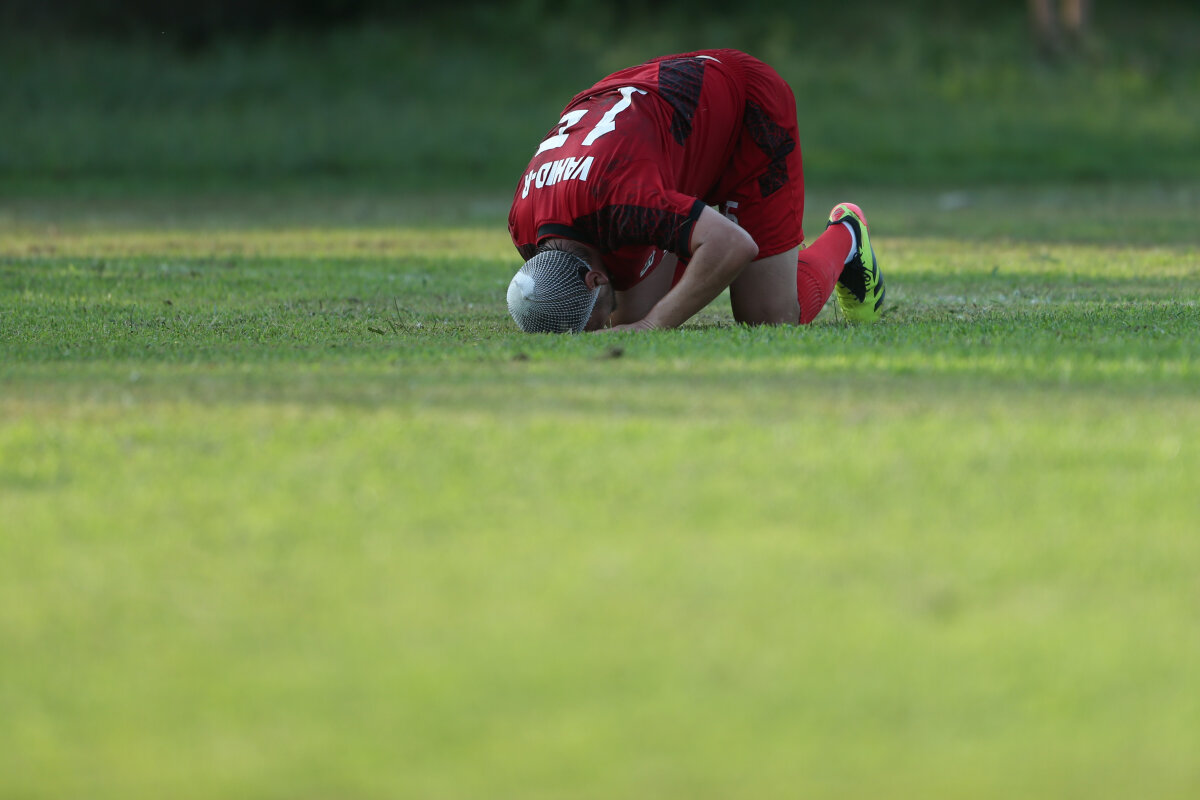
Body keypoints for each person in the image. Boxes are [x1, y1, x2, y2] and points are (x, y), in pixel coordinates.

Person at [506, 48, 885, 333]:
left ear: (595, 279)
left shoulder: (624, 201)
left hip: (743, 103)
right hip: (657, 112)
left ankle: (848, 235)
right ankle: (691, 225)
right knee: (629, 313)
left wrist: (653, 325)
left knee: (768, 316)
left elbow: (733, 245)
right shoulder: (524, 223)